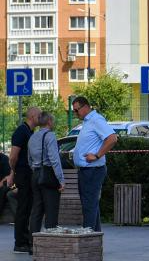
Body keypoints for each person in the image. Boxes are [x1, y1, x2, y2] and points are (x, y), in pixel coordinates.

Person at [71, 96, 117, 231]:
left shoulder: (96, 120)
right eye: (74, 111)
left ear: (86, 107)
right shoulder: (88, 121)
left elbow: (112, 138)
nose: (75, 113)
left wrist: (97, 155)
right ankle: (95, 237)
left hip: (92, 170)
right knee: (90, 205)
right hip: (87, 170)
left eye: (76, 110)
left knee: (89, 205)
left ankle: (88, 236)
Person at [6, 106, 40, 253]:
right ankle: (19, 242)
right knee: (23, 208)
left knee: (27, 207)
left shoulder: (29, 132)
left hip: (27, 173)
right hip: (23, 174)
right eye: (39, 115)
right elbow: (13, 156)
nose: (41, 117)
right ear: (32, 117)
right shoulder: (21, 131)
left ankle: (24, 239)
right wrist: (13, 172)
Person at [28, 111, 64, 233]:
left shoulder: (32, 137)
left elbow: (29, 160)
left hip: (35, 175)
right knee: (51, 210)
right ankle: (50, 240)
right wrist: (61, 180)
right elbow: (54, 160)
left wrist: (36, 170)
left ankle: (33, 240)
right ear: (49, 121)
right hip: (48, 176)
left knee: (37, 210)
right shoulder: (50, 136)